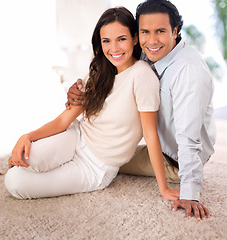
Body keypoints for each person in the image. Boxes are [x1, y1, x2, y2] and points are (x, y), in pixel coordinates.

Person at [5, 7, 179, 201]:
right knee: (29, 158)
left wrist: (163, 188)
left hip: (96, 166)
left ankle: (32, 168)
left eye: (121, 39)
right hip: (75, 137)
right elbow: (64, 120)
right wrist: (27, 136)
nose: (114, 48)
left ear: (135, 39)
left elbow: (150, 134)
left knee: (14, 182)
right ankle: (33, 159)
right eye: (106, 41)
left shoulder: (142, 75)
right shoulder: (100, 71)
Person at [66, 0, 216, 221]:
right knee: (92, 146)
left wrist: (189, 193)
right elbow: (116, 78)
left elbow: (189, 139)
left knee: (102, 156)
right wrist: (80, 92)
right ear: (137, 34)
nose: (152, 40)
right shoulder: (151, 53)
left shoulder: (189, 72)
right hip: (157, 145)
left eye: (161, 31)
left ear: (175, 31)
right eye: (145, 32)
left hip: (175, 161)